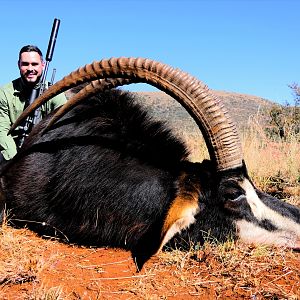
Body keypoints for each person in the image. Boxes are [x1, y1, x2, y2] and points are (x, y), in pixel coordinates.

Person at [0, 45, 67, 163]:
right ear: (19, 65)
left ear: (43, 65)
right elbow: (3, 130)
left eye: (34, 64)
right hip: (12, 153)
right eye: (25, 64)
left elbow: (64, 127)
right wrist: (16, 160)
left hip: (42, 151)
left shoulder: (55, 93)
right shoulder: (5, 93)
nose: (30, 68)